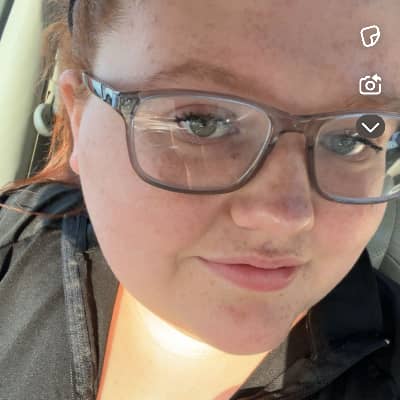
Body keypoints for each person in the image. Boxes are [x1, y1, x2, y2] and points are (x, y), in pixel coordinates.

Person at [1, 1, 400, 399]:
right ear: (77, 115)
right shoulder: (12, 242)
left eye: (351, 140)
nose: (284, 215)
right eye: (201, 123)